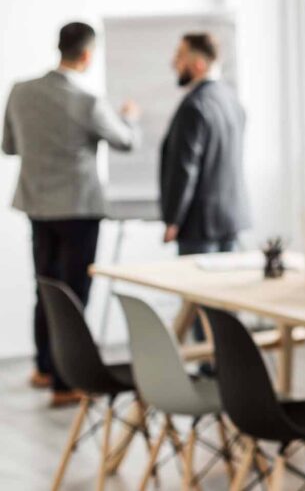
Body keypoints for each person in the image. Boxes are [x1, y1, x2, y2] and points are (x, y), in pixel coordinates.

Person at [2, 22, 140, 407]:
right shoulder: (88, 101)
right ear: (87, 55)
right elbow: (126, 142)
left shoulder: (20, 91)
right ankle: (66, 383)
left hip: (37, 205)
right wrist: (129, 117)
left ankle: (45, 368)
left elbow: (8, 146)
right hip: (78, 209)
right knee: (74, 295)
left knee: (45, 288)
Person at [160, 32, 250, 256]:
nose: (174, 63)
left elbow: (184, 168)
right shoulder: (232, 100)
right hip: (231, 219)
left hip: (199, 224)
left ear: (199, 64)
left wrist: (173, 219)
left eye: (180, 56)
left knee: (194, 279)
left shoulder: (195, 105)